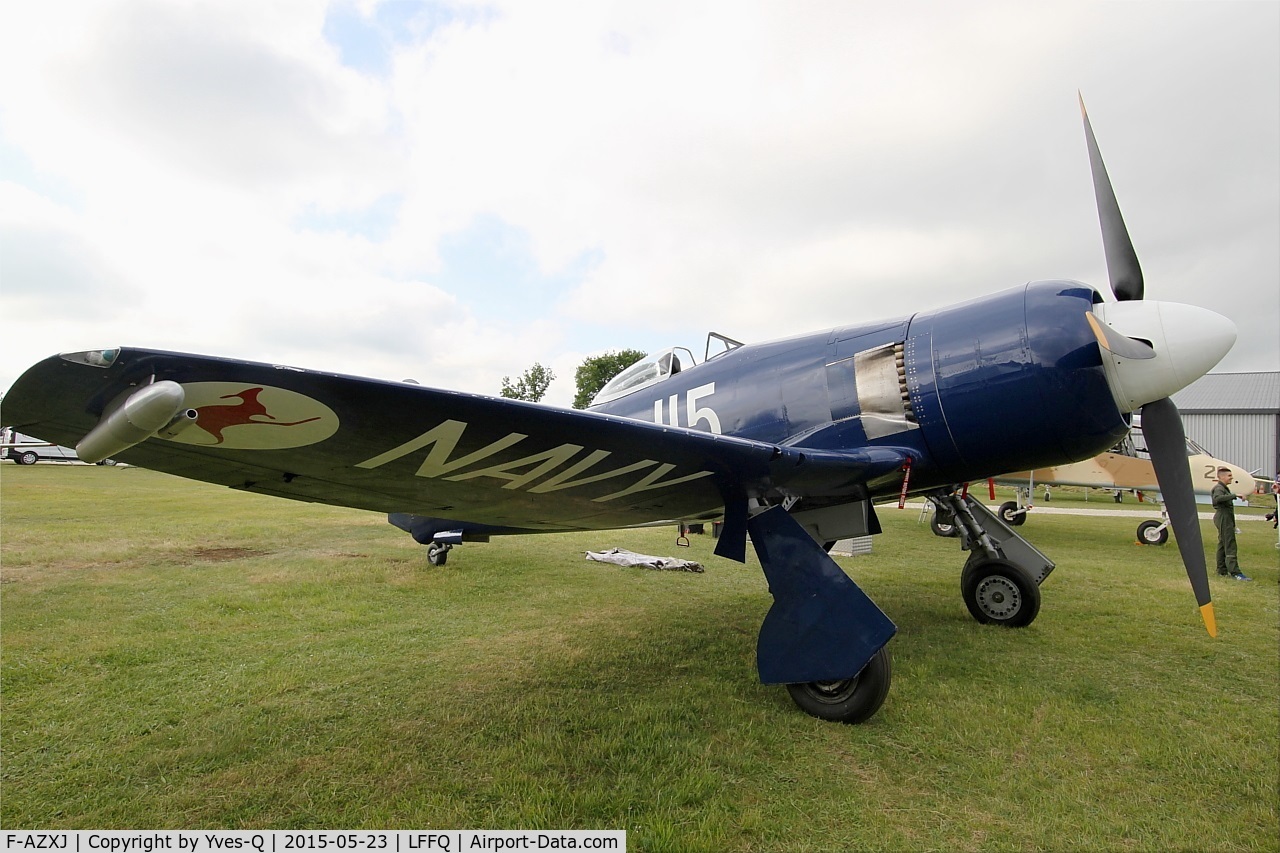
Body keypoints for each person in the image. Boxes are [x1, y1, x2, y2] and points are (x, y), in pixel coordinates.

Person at [1211, 467, 1250, 581]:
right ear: (1221, 477)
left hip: (1226, 517)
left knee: (1223, 544)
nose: (1231, 478)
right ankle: (1235, 573)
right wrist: (1235, 495)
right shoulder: (1218, 488)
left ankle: (1222, 570)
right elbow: (1217, 499)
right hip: (1223, 517)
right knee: (1230, 545)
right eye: (1229, 476)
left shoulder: (1223, 488)